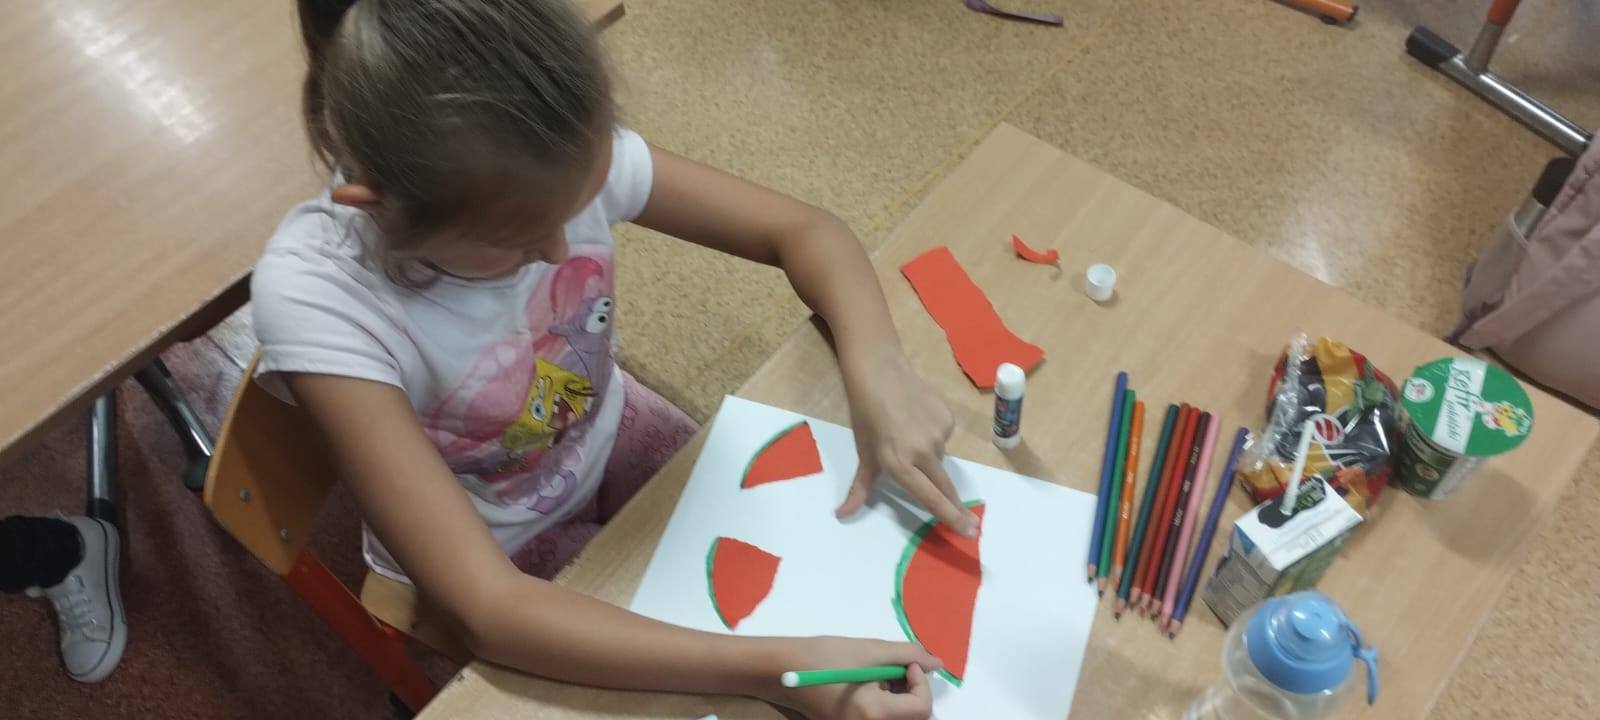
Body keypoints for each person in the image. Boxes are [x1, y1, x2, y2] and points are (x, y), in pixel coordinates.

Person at [253, 1, 966, 717]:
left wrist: (880, 371)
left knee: (799, 570)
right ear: (377, 205)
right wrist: (775, 675)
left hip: (608, 431)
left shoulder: (545, 149)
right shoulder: (321, 297)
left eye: (582, 205)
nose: (560, 250)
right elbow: (488, 610)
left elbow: (806, 231)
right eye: (519, 241)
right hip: (501, 549)